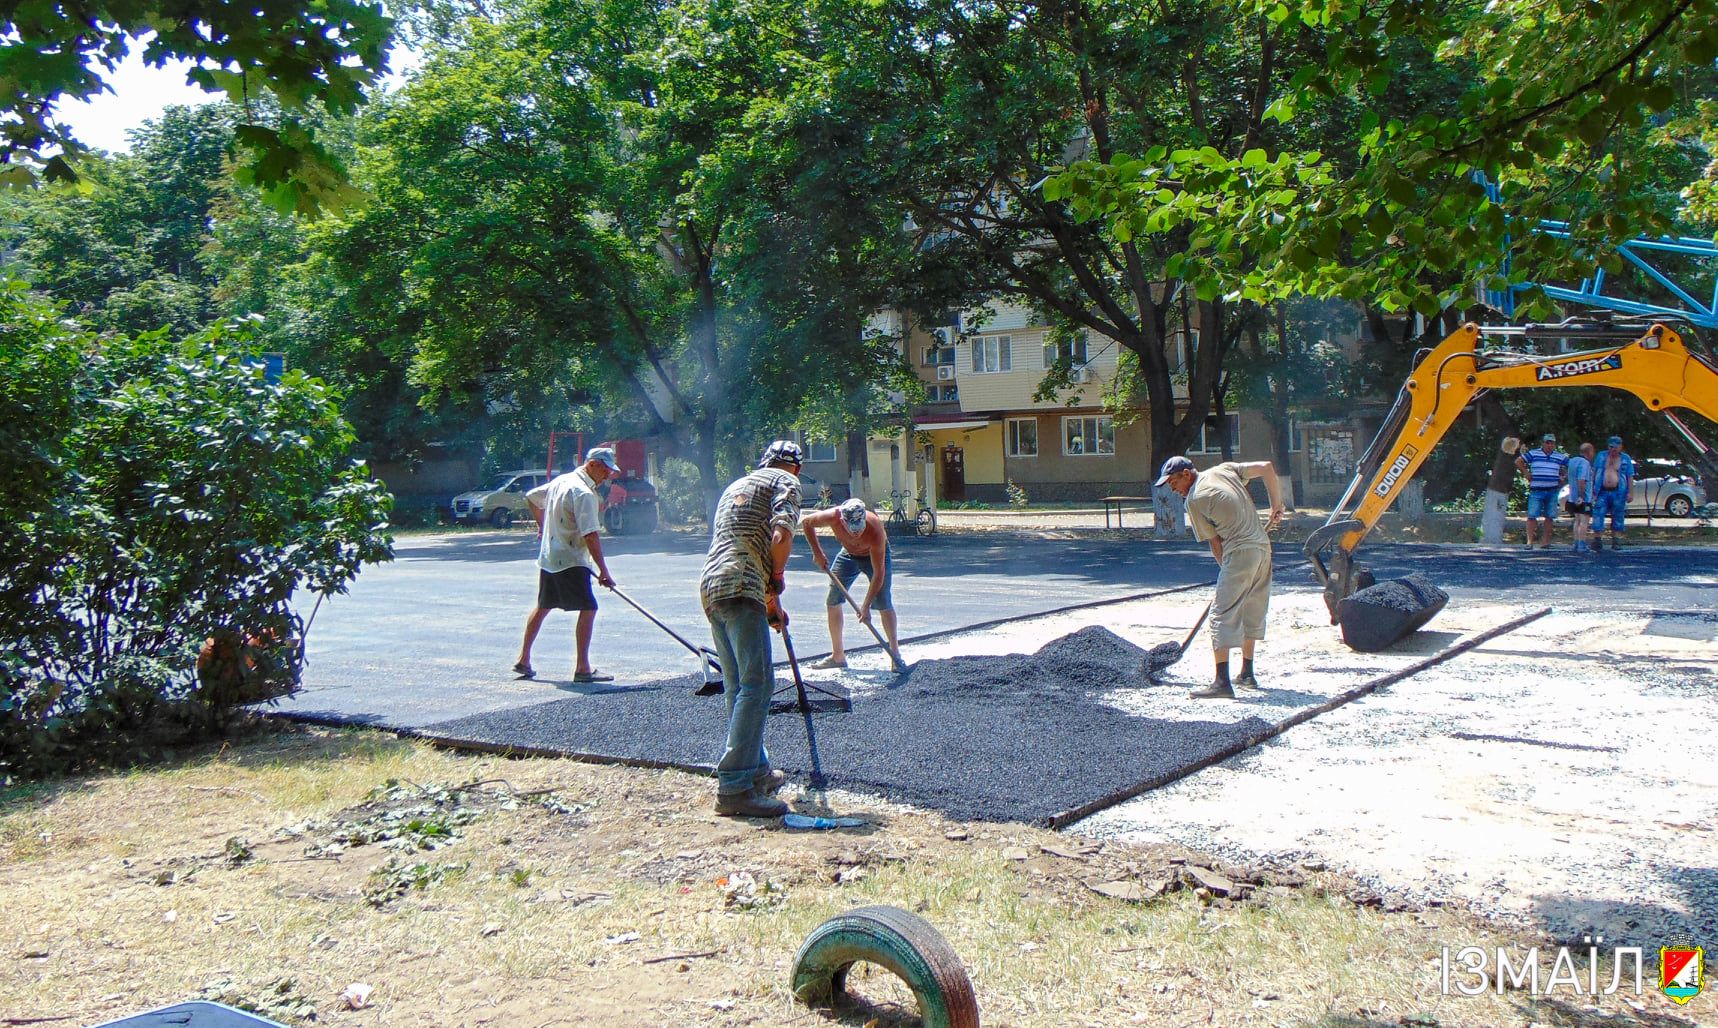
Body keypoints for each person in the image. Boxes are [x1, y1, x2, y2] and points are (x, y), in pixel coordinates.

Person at [699, 440, 805, 818]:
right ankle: (735, 787)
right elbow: (781, 537)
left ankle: (756, 769)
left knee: (737, 685)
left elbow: (743, 543)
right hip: (744, 583)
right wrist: (777, 577)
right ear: (794, 466)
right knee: (758, 685)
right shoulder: (786, 483)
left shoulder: (737, 486)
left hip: (714, 586)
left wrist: (772, 605)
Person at [1157, 455, 1285, 700]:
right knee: (1251, 608)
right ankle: (1247, 673)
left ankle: (1222, 683)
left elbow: (1216, 543)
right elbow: (1267, 467)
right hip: (1263, 549)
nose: (1174, 490)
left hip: (1239, 553)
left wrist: (1226, 569)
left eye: (1173, 483)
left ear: (1186, 475)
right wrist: (1276, 504)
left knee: (1220, 613)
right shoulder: (1224, 470)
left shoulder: (1194, 501)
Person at [514, 447, 619, 682]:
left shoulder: (562, 481)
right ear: (592, 464)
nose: (607, 475)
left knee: (543, 606)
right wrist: (604, 571)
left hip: (550, 557)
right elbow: (591, 534)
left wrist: (542, 527)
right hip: (571, 559)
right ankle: (583, 668)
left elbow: (532, 498)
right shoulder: (584, 493)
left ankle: (524, 659)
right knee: (589, 608)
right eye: (605, 469)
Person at [800, 498, 897, 668]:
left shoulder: (875, 530)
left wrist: (866, 606)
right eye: (852, 530)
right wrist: (817, 552)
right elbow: (807, 523)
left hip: (873, 557)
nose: (856, 533)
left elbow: (879, 574)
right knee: (833, 600)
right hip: (848, 554)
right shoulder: (832, 516)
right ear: (842, 521)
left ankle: (895, 654)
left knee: (882, 601)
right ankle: (838, 657)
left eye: (859, 529)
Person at [1515, 433, 1568, 549]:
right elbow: (1518, 461)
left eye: (1551, 443)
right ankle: (1530, 542)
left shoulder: (1559, 456)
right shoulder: (1534, 454)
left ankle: (1545, 542)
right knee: (1532, 516)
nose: (1549, 445)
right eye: (1547, 442)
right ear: (1543, 443)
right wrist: (1526, 472)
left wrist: (1564, 477)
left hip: (1552, 490)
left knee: (1549, 517)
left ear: (1554, 444)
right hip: (1537, 490)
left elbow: (1571, 465)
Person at [1590, 435, 1636, 551]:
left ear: (1621, 447)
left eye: (1616, 447)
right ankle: (1597, 540)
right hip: (1602, 491)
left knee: (1618, 515)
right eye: (1611, 447)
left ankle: (1616, 540)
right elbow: (1594, 473)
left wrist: (1631, 492)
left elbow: (1630, 476)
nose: (1613, 449)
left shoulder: (1625, 459)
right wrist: (1591, 490)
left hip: (1619, 492)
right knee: (1598, 514)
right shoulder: (1601, 456)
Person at [1565, 441, 1595, 553]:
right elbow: (1581, 480)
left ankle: (1576, 543)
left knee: (1577, 520)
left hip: (1572, 496)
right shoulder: (1585, 463)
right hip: (1583, 497)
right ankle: (1582, 544)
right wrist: (1581, 496)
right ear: (1589, 452)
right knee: (1584, 521)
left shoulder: (1572, 461)